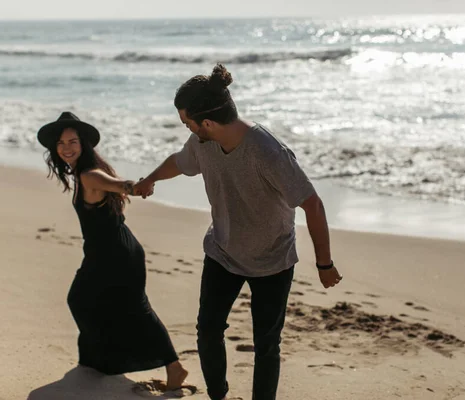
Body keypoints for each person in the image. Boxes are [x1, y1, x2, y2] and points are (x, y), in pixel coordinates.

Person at [133, 64, 343, 400]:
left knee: (266, 345)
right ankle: (218, 395)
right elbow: (180, 160)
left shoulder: (268, 152)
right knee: (208, 331)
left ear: (208, 122)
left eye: (188, 122)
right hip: (222, 251)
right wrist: (151, 178)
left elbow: (312, 204)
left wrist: (324, 264)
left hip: (272, 260)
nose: (186, 127)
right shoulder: (203, 143)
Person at [36, 112, 188, 390]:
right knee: (84, 300)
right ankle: (100, 359)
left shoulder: (89, 174)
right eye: (60, 143)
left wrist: (137, 186)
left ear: (83, 145)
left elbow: (119, 185)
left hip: (117, 255)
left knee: (133, 308)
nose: (66, 147)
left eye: (72, 141)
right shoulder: (84, 172)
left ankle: (174, 368)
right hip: (104, 252)